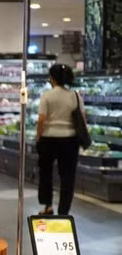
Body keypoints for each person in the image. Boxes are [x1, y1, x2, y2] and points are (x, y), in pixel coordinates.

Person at [36, 63, 83, 215]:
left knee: (46, 174)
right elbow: (82, 118)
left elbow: (41, 119)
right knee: (67, 177)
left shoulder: (47, 96)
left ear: (52, 78)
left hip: (49, 139)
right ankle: (64, 211)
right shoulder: (75, 95)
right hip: (69, 140)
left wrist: (38, 137)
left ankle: (48, 205)